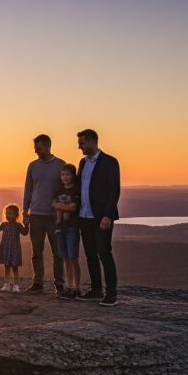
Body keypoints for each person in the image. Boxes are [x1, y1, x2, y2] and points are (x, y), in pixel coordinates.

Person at [75, 129, 121, 306]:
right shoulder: (82, 162)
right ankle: (95, 290)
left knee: (104, 253)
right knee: (90, 255)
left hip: (101, 217)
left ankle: (111, 293)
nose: (79, 146)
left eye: (82, 143)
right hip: (84, 216)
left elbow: (114, 190)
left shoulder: (109, 162)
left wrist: (108, 215)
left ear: (93, 141)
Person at [22, 134, 66, 294]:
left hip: (54, 216)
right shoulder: (32, 166)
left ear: (48, 146)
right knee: (36, 251)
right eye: (35, 149)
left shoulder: (61, 165)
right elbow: (28, 189)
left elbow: (66, 189)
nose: (36, 151)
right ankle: (38, 282)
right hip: (36, 215)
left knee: (57, 251)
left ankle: (59, 284)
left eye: (39, 148)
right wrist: (25, 211)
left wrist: (62, 209)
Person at [52, 164, 82, 300]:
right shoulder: (59, 190)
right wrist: (64, 207)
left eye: (68, 174)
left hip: (72, 227)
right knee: (65, 258)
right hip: (60, 227)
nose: (65, 177)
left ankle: (77, 287)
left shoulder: (76, 190)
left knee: (73, 258)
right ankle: (69, 286)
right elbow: (53, 204)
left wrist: (60, 206)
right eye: (63, 174)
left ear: (73, 175)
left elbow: (73, 208)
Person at [0, 204, 29, 292]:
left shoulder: (18, 225)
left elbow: (25, 232)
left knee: (15, 268)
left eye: (10, 213)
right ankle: (6, 285)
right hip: (6, 248)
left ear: (16, 215)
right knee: (6, 266)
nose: (7, 215)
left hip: (15, 249)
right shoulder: (4, 224)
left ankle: (16, 286)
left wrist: (27, 225)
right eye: (6, 213)